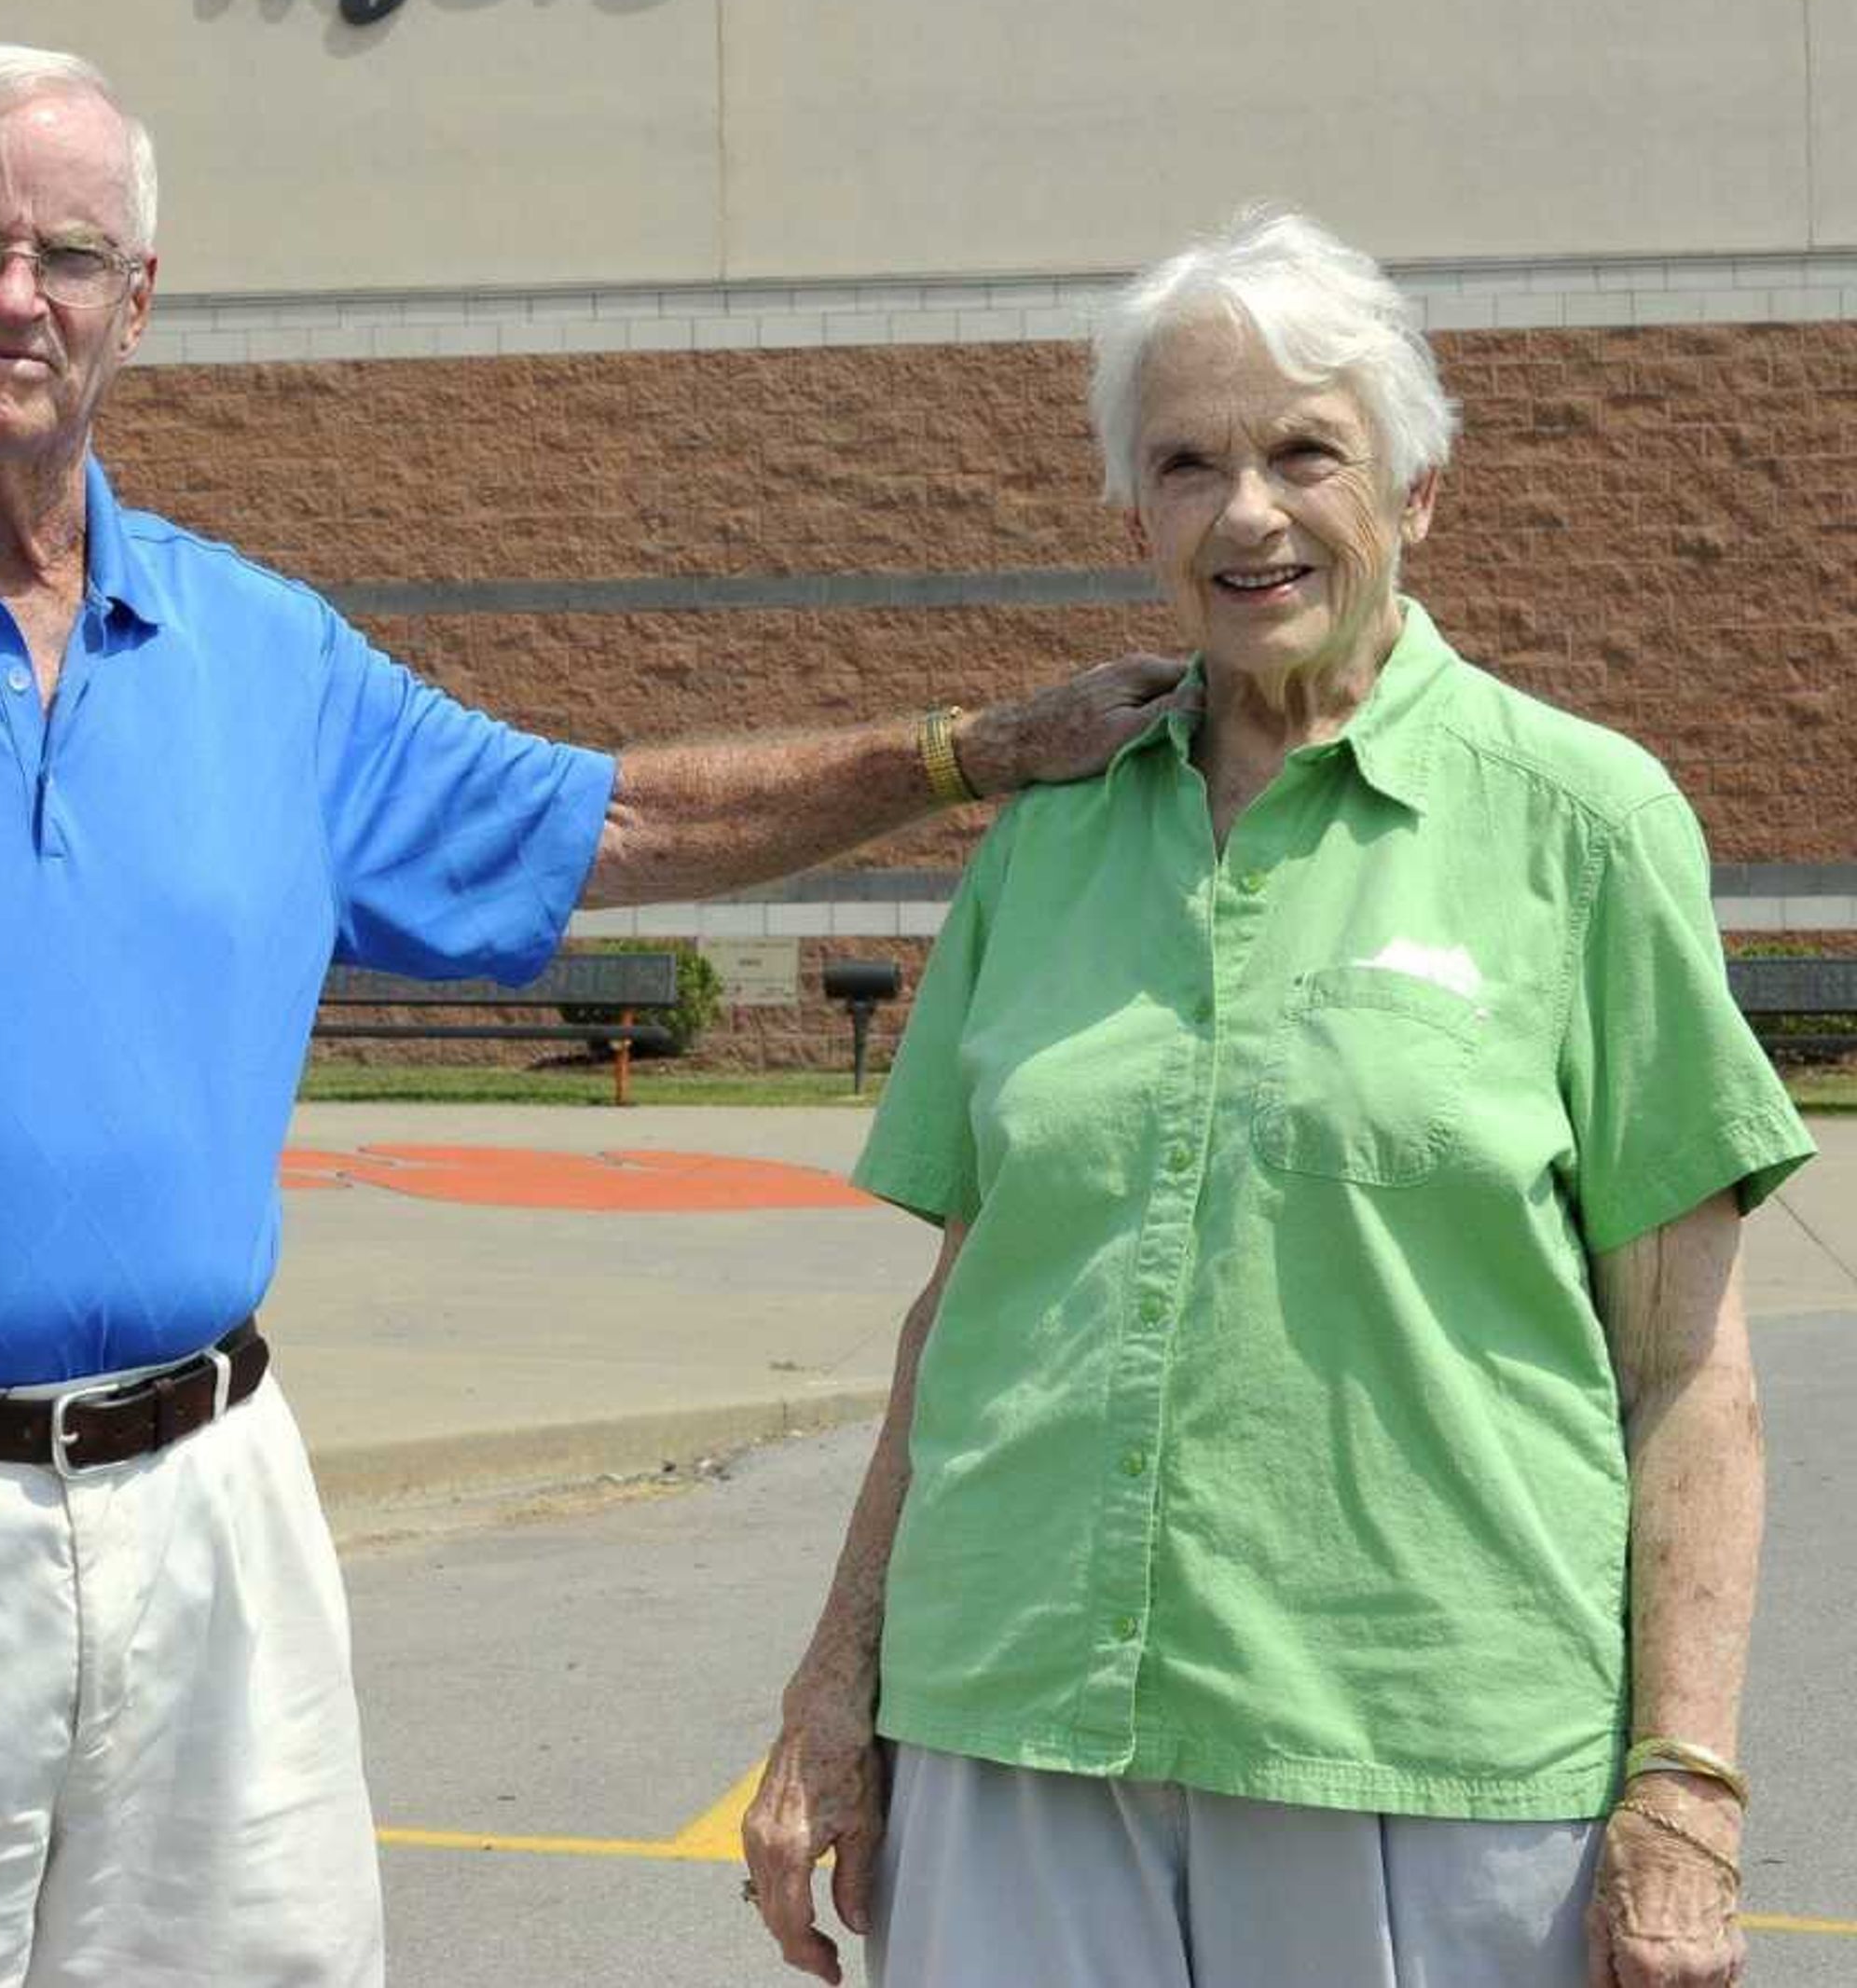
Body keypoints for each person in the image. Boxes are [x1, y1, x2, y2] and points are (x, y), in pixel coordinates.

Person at [0, 41, 1185, 1986]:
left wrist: (952, 754)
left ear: (136, 305)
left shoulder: (259, 649)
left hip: (205, 1515)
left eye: (70, 253)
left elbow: (618, 818)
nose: (15, 293)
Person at [739, 208, 1809, 1988]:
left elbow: (1689, 1367)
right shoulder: (1052, 835)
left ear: (1416, 493)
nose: (1249, 512)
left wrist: (1683, 1785)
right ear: (1134, 522)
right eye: (1187, 465)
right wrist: (834, 1688)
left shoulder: (1583, 822)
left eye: (1306, 451)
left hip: (1424, 1760)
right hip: (1012, 1727)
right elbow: (966, 1314)